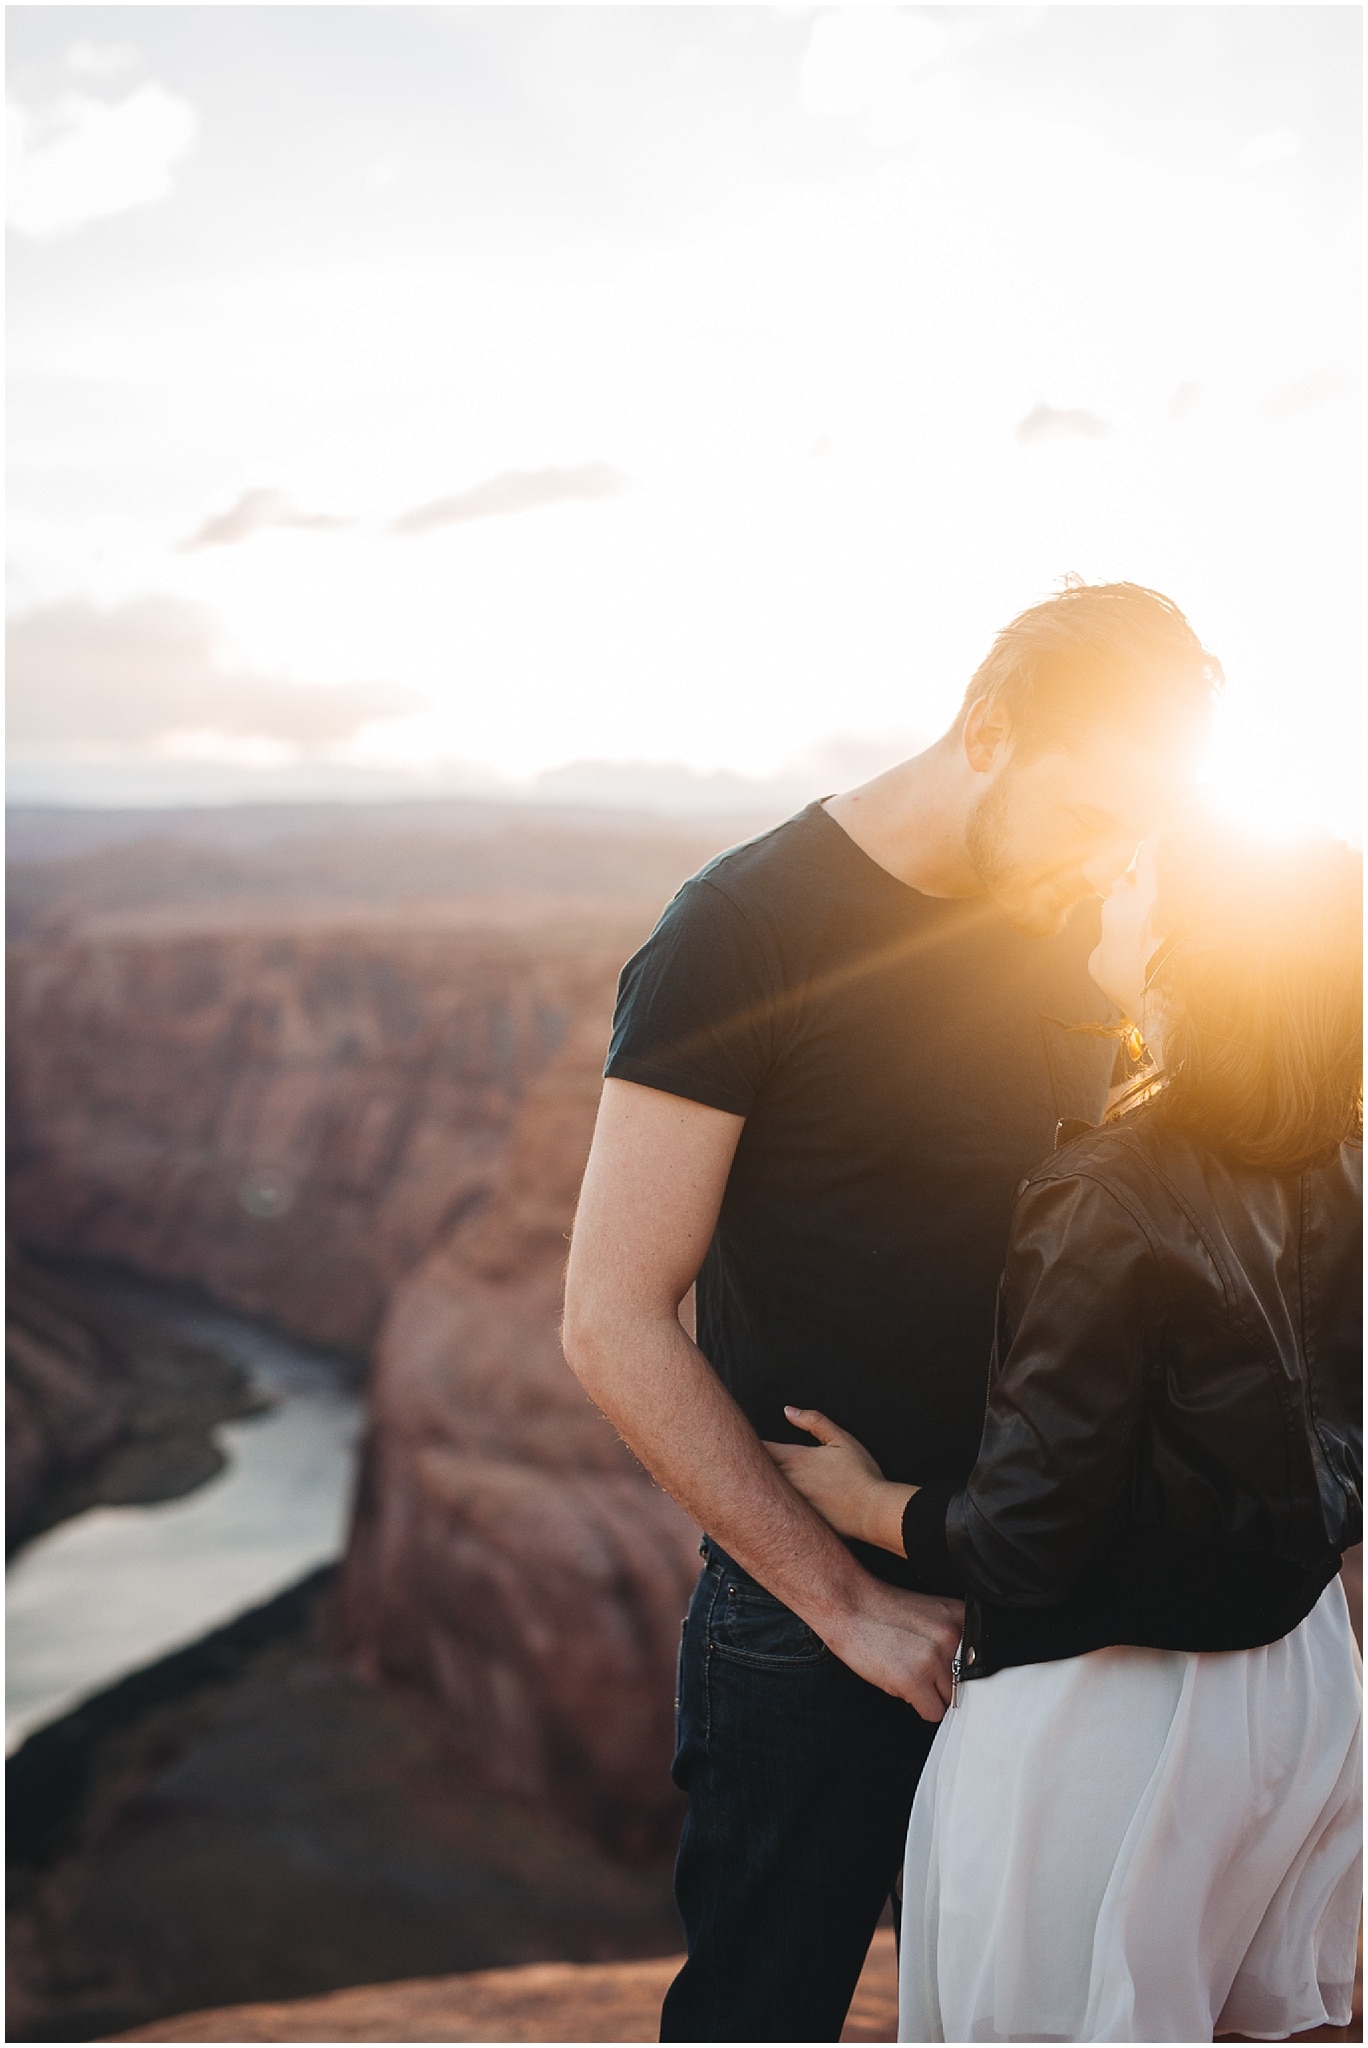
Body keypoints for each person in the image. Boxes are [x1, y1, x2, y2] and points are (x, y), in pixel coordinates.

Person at [561, 580, 1222, 2041]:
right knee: (763, 2011)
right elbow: (610, 1315)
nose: (1115, 865)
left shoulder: (1083, 919)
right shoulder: (740, 930)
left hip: (1055, 1590)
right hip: (805, 1619)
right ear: (989, 731)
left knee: (1014, 2013)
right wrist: (846, 1601)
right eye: (1093, 816)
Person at [768, 819, 1362, 2043]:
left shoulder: (1105, 1190)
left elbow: (1029, 1533)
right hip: (1305, 1686)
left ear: (1191, 943)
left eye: (1137, 872)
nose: (1108, 882)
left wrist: (864, 1500)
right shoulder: (1344, 1158)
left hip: (1113, 1713)